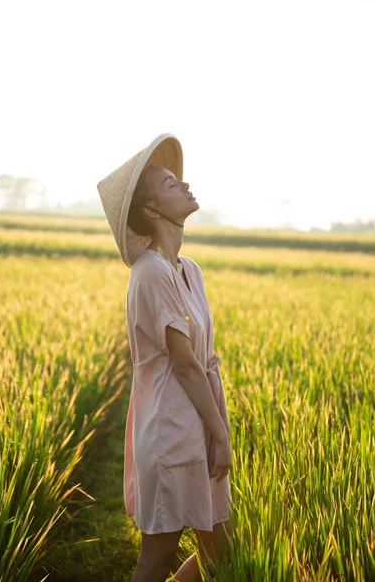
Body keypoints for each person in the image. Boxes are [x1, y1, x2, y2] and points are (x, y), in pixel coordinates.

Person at [97, 133, 232, 582]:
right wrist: (222, 435)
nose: (185, 185)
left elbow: (202, 360)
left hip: (197, 418)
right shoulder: (151, 273)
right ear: (153, 211)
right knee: (156, 557)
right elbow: (186, 364)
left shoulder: (187, 269)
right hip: (171, 427)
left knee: (222, 550)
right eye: (171, 183)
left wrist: (215, 428)